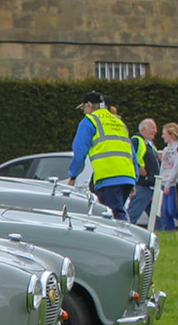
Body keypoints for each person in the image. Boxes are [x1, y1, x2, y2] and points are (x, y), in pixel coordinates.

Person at [67, 90, 138, 219]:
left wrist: (73, 175)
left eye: (83, 107)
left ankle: (125, 238)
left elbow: (80, 152)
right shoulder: (118, 122)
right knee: (117, 211)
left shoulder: (89, 122)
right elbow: (131, 152)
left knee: (113, 216)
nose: (84, 111)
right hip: (127, 175)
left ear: (89, 105)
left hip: (108, 175)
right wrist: (134, 178)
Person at [156, 122, 178, 231]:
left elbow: (176, 166)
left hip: (172, 183)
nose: (162, 136)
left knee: (171, 210)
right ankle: (170, 231)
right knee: (164, 211)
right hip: (164, 181)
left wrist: (168, 183)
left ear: (171, 134)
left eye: (164, 133)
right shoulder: (166, 150)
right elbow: (163, 167)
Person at [126, 118, 160, 225]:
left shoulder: (149, 143)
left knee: (156, 217)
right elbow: (130, 156)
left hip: (149, 185)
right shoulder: (137, 140)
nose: (155, 131)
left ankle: (161, 231)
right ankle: (124, 230)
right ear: (144, 129)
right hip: (142, 185)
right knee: (133, 214)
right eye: (152, 128)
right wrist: (139, 168)